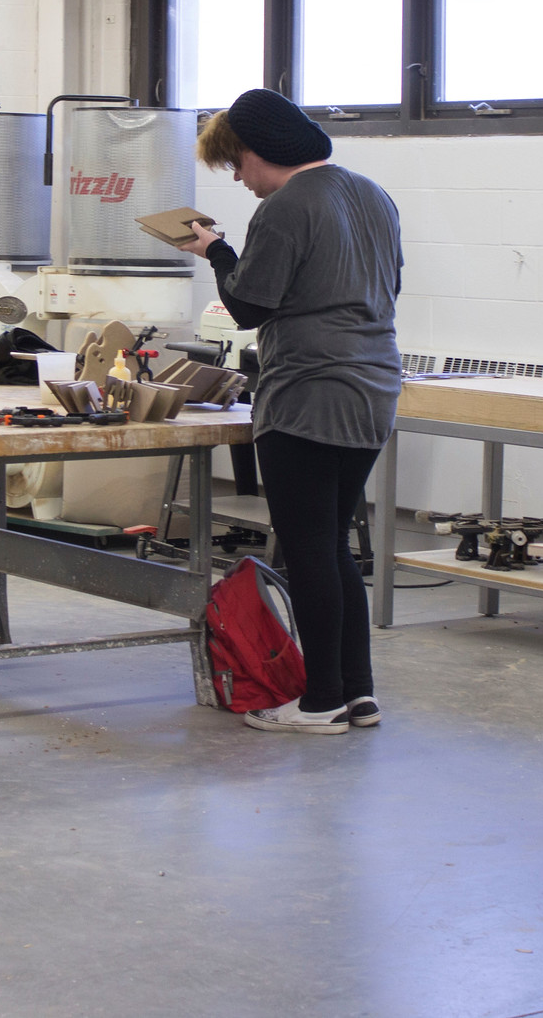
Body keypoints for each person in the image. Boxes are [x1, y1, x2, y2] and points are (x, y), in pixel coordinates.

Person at [177, 88, 403, 735]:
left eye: (238, 167)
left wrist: (217, 251)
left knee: (308, 549)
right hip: (373, 388)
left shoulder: (284, 208)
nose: (241, 181)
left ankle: (321, 700)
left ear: (258, 152)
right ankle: (356, 692)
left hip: (308, 393)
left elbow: (249, 306)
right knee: (332, 545)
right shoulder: (372, 196)